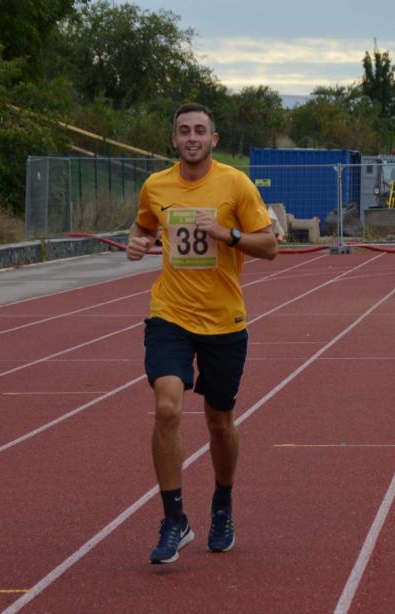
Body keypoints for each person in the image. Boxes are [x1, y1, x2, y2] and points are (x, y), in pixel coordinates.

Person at [126, 103, 278, 564]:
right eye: (184, 131)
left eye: (199, 131)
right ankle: (174, 519)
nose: (191, 138)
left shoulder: (236, 184)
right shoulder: (156, 186)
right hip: (170, 315)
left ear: (214, 139)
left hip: (223, 320)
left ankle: (222, 505)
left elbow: (269, 245)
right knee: (166, 407)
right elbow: (143, 225)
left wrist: (228, 234)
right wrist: (137, 241)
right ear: (174, 139)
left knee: (219, 421)